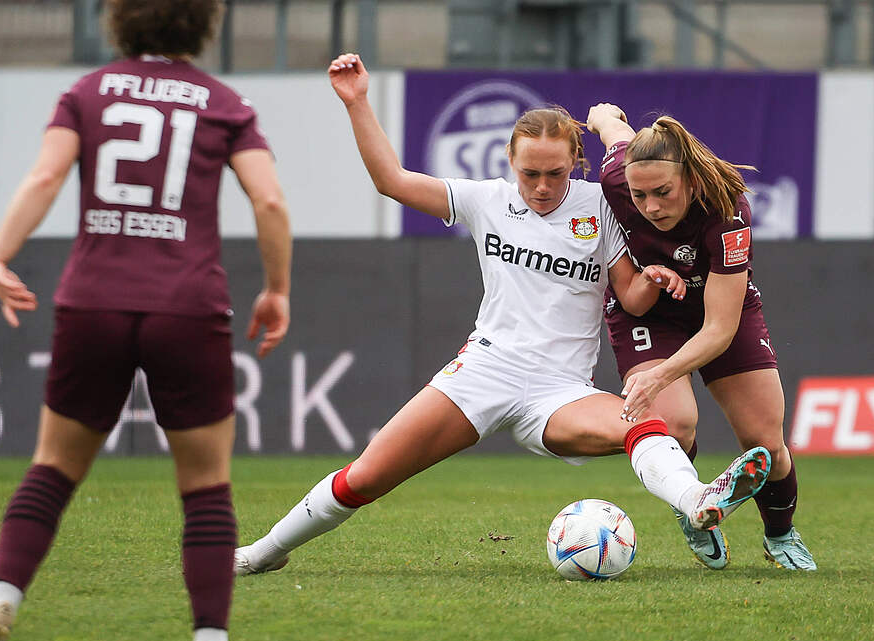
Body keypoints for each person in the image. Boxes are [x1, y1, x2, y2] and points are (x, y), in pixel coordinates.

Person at [233, 53, 771, 579]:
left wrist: (653, 279)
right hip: (482, 374)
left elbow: (630, 301)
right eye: (529, 173)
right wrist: (356, 103)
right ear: (509, 163)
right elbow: (391, 181)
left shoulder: (602, 206)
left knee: (645, 424)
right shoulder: (484, 200)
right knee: (366, 477)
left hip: (560, 391)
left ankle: (697, 499)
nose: (540, 186)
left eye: (555, 174)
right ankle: (263, 552)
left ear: (576, 165)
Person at [0, 0, 292, 641]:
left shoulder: (86, 92)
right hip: (187, 307)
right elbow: (270, 200)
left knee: (52, 470)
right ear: (203, 23)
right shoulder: (224, 102)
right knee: (205, 485)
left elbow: (45, 176)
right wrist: (276, 289)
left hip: (93, 302)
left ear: (121, 20)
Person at [586, 104, 817, 571]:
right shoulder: (615, 174)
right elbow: (614, 131)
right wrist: (601, 117)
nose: (650, 207)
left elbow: (719, 329)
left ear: (689, 179)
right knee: (674, 423)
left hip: (718, 312)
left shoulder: (728, 211)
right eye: (639, 194)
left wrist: (661, 375)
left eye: (663, 192)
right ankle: (692, 506)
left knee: (766, 441)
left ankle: (780, 534)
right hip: (649, 311)